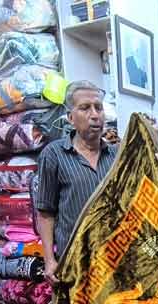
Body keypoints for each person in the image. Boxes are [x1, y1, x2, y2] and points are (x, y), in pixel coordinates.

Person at [36, 81, 119, 284]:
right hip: (74, 262)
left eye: (98, 107)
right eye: (85, 108)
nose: (95, 114)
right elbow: (45, 212)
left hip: (115, 259)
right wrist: (49, 259)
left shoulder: (117, 155)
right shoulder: (53, 155)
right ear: (71, 118)